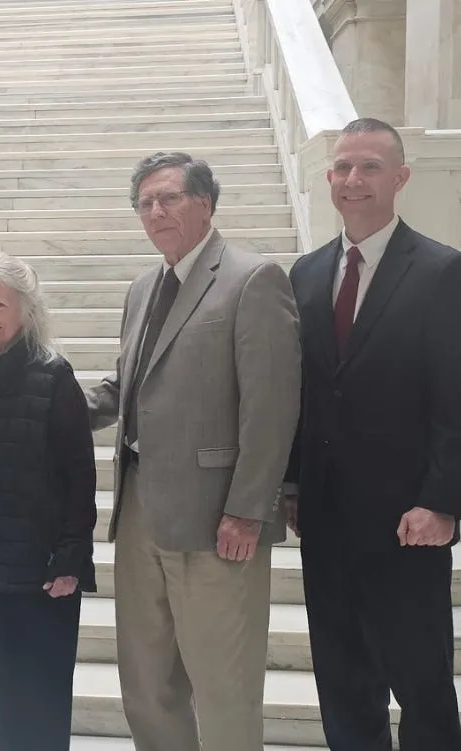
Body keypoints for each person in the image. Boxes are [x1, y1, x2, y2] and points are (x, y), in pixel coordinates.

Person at [86, 151, 302, 751]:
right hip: (139, 515)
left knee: (223, 685)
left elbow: (272, 407)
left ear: (205, 204)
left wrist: (248, 509)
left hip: (216, 520)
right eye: (145, 202)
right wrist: (45, 411)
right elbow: (129, 386)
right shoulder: (141, 288)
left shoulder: (253, 278)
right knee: (146, 681)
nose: (155, 211)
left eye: (169, 198)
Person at [283, 118, 461, 750]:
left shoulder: (443, 272)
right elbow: (300, 395)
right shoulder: (304, 275)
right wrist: (292, 485)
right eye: (342, 167)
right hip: (326, 521)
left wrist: (444, 502)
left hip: (408, 522)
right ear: (328, 177)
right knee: (343, 683)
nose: (353, 180)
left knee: (422, 685)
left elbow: (454, 396)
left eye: (370, 167)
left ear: (401, 177)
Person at [0, 252, 97, 751]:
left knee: (33, 706)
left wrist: (72, 554)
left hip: (38, 574)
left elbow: (80, 475)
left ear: (26, 310)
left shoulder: (54, 377)